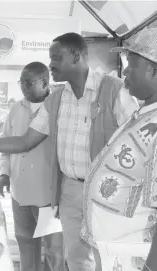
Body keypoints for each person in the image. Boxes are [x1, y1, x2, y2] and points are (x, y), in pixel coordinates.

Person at [0, 32, 139, 271]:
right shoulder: (57, 100)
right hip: (71, 190)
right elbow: (25, 141)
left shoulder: (115, 91)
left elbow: (138, 144)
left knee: (108, 258)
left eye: (56, 58)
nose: (50, 64)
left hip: (107, 191)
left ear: (76, 56)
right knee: (77, 259)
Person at [80, 26, 157, 271]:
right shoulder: (144, 114)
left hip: (135, 258)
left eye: (131, 66)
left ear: (154, 70)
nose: (126, 75)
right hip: (115, 253)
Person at [0, 62, 65, 271]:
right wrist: (4, 174)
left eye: (28, 82)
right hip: (20, 192)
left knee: (54, 251)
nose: (23, 87)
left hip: (48, 196)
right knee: (26, 244)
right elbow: (6, 143)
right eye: (21, 82)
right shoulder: (16, 109)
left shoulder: (59, 107)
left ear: (45, 82)